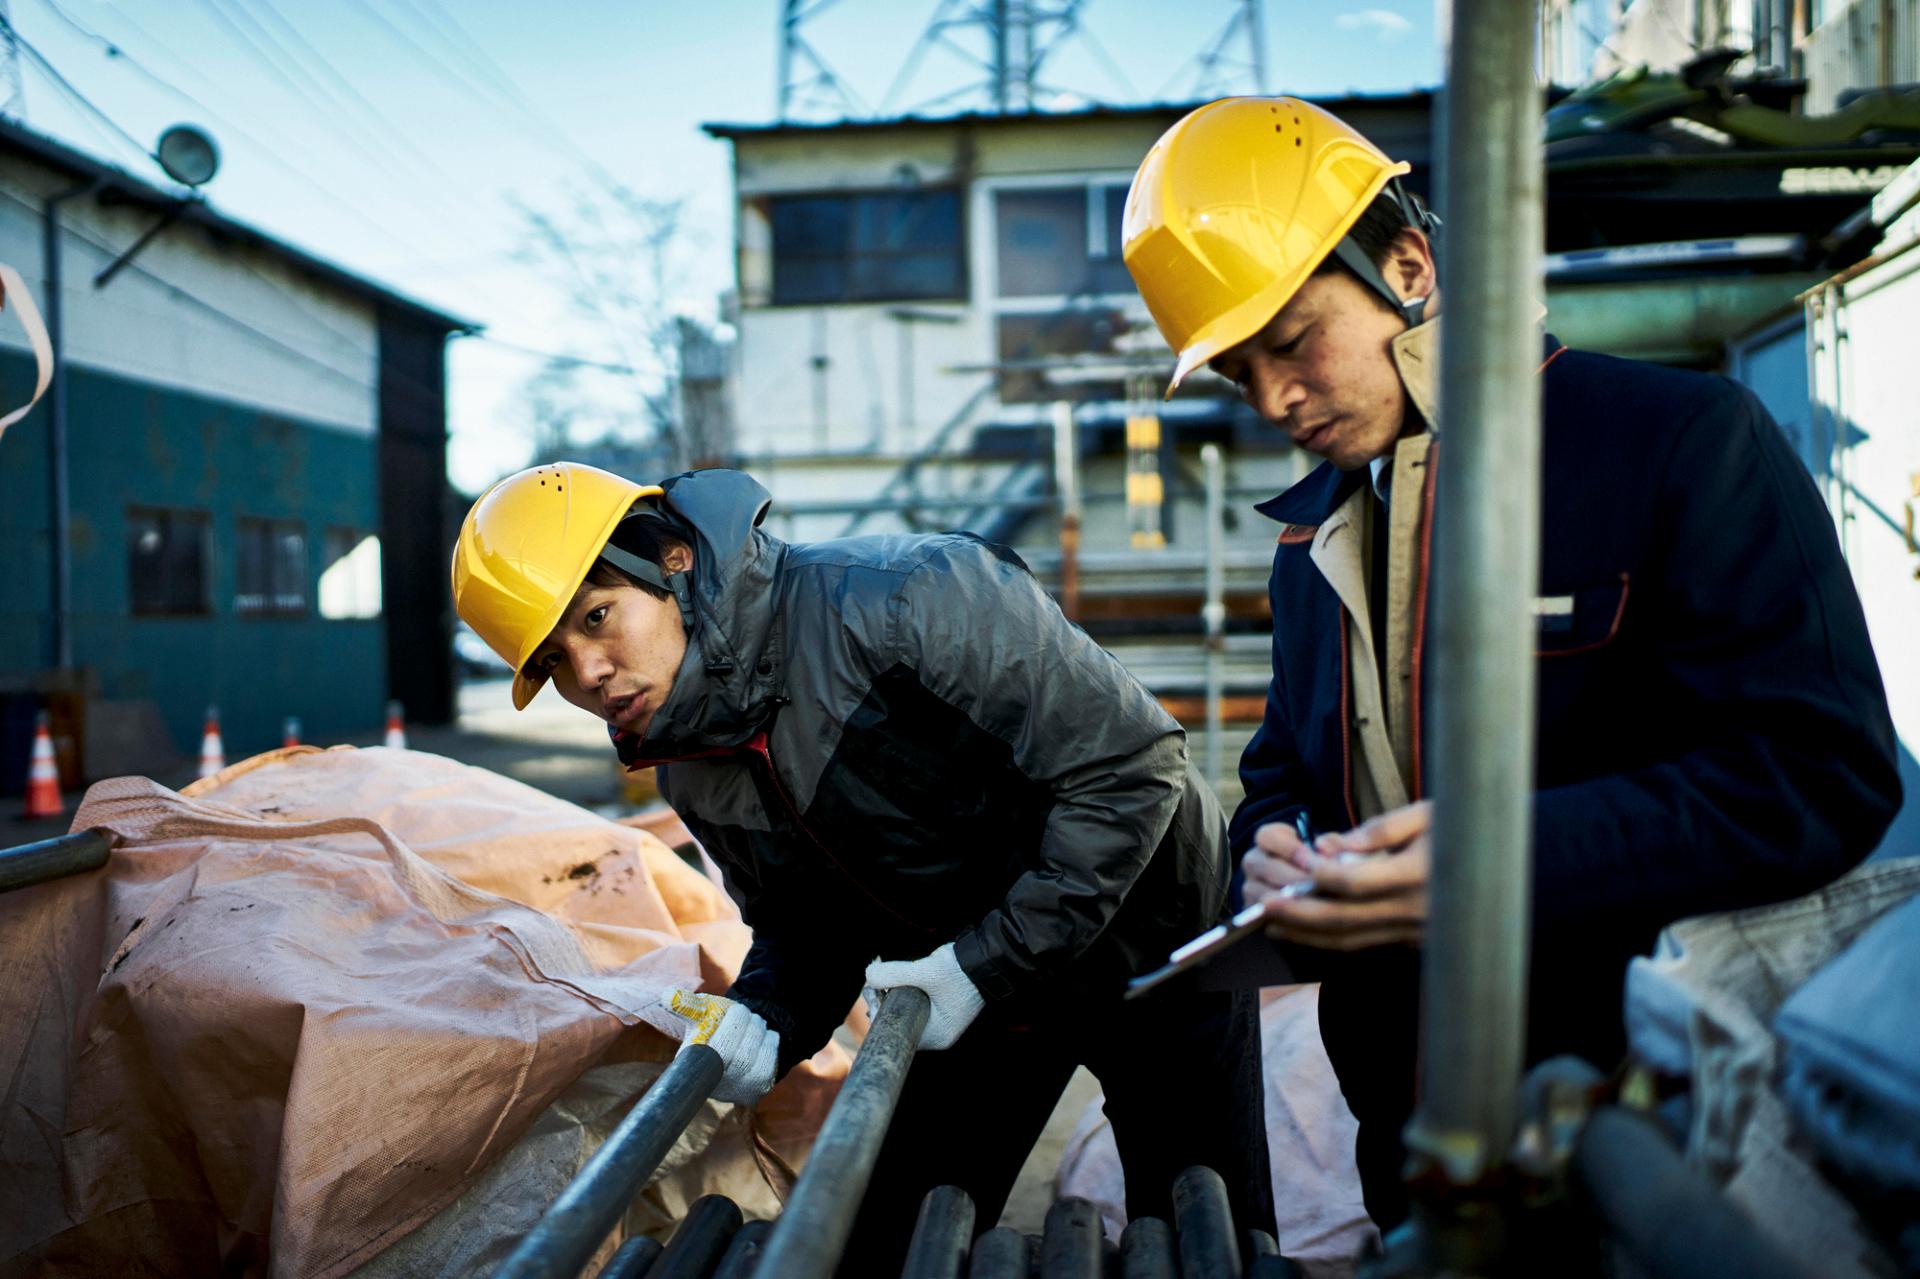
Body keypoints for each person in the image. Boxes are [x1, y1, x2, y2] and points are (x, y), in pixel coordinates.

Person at [1120, 96, 1902, 1230]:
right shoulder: (1310, 544)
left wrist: (1494, 863)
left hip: (1641, 1116)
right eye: (1242, 372)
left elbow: (1825, 776)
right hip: (1405, 1119)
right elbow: (1284, 763)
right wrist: (1272, 847)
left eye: (1292, 342)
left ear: (1409, 264)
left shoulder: (1677, 441)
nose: (1277, 399)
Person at [449, 463, 1276, 1269]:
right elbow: (806, 921)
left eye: (596, 616)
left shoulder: (909, 598)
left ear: (675, 561)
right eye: (553, 660)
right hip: (963, 976)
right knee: (893, 1233)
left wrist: (982, 963)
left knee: (1204, 1222)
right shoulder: (690, 763)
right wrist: (764, 1014)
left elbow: (1129, 770)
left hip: (1151, 935)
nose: (587, 674)